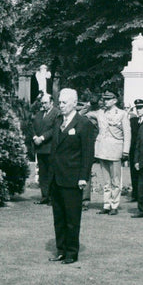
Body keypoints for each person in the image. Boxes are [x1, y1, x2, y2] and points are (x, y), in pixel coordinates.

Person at [48, 88, 95, 265]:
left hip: (73, 178)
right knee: (59, 218)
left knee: (72, 218)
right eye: (59, 102)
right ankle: (61, 250)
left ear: (74, 103)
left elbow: (88, 153)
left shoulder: (84, 124)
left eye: (64, 102)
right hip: (56, 177)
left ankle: (71, 252)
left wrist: (83, 177)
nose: (61, 106)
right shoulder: (58, 121)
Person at [85, 90, 131, 215]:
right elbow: (84, 114)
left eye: (108, 99)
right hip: (102, 148)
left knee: (115, 180)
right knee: (105, 180)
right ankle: (106, 204)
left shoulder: (122, 114)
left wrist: (126, 150)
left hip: (115, 148)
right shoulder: (100, 113)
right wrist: (90, 104)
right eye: (104, 99)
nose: (105, 101)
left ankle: (114, 205)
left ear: (115, 100)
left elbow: (127, 133)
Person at [32, 92, 60, 205]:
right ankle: (44, 196)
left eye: (45, 103)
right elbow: (32, 126)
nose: (43, 105)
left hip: (50, 147)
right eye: (42, 103)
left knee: (51, 173)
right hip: (40, 148)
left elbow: (54, 129)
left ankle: (52, 198)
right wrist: (34, 137)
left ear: (51, 102)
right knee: (42, 173)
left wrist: (42, 138)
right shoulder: (39, 113)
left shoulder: (56, 113)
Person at [128, 99, 143, 201]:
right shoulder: (133, 121)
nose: (138, 110)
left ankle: (142, 195)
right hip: (134, 151)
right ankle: (135, 194)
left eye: (141, 108)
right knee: (134, 173)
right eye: (137, 108)